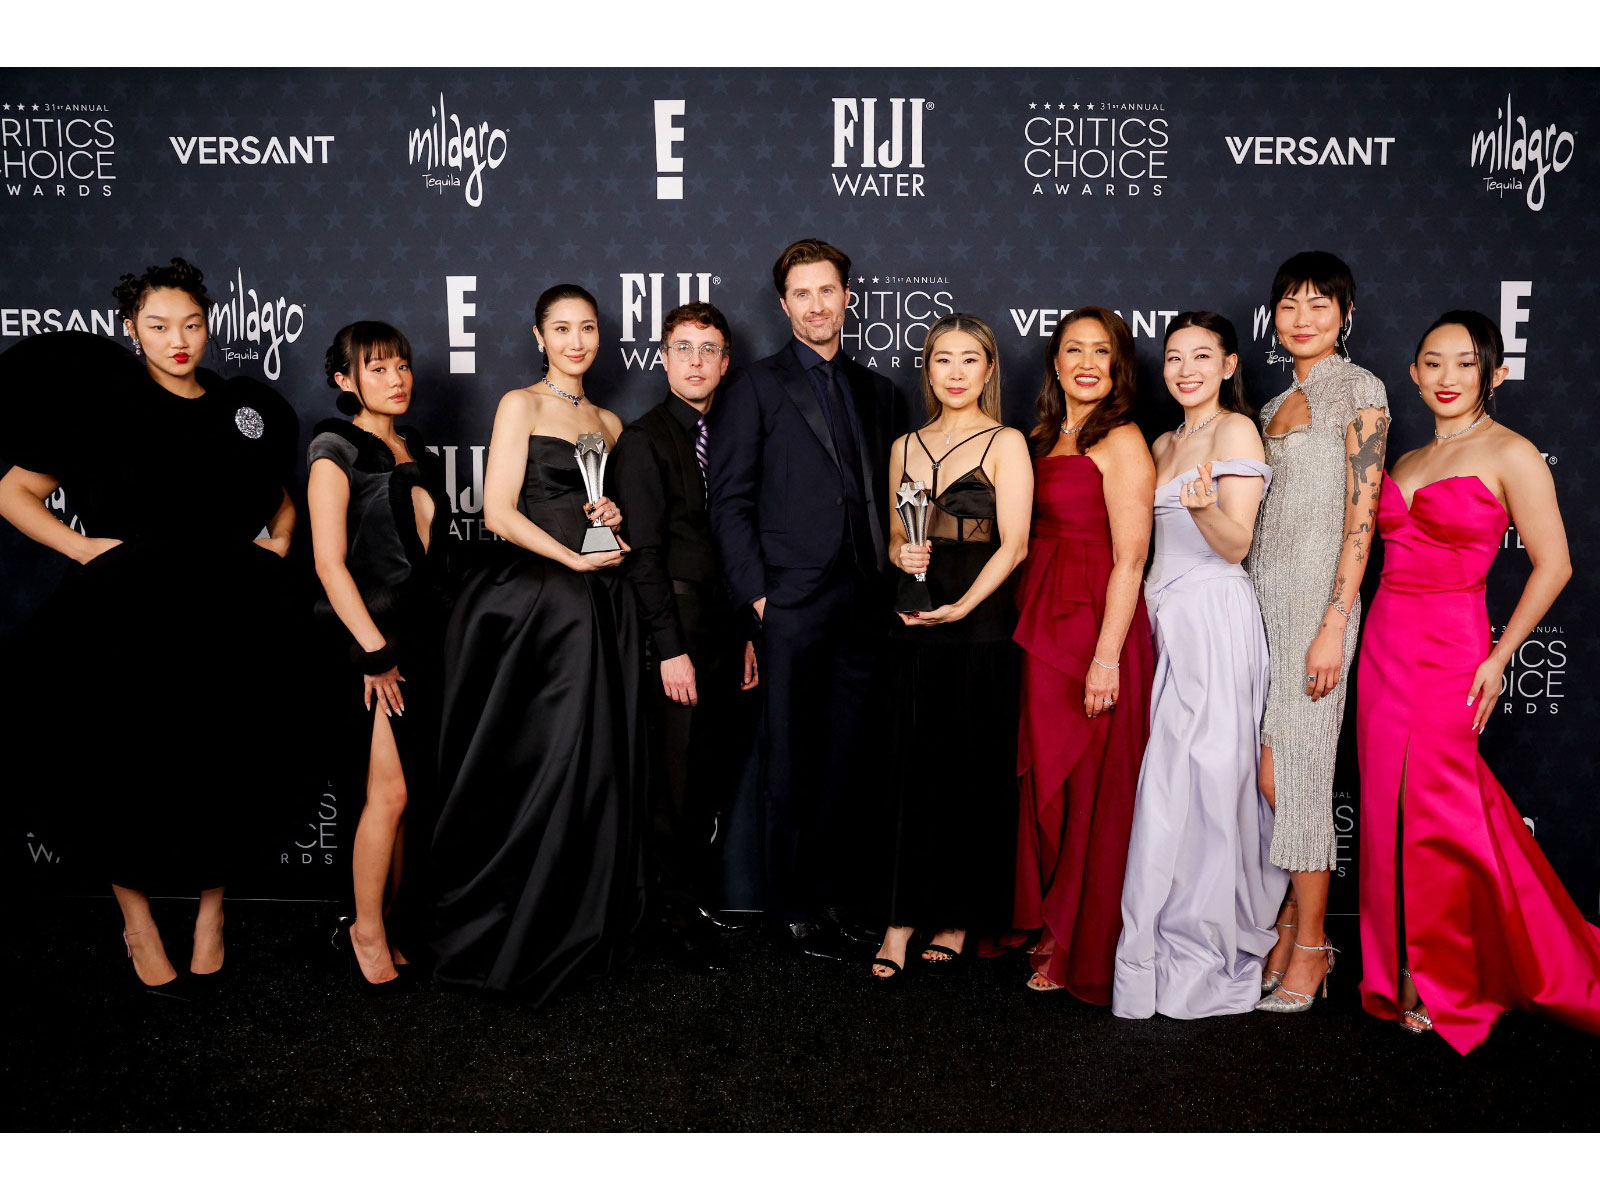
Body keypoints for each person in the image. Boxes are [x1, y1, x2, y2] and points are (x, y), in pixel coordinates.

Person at [0, 257, 299, 998]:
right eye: (160, 326)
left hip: (223, 621)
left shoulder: (241, 408)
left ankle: (211, 916)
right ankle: (134, 919)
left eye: (192, 324)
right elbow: (15, 492)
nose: (178, 340)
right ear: (132, 329)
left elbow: (282, 504)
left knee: (225, 765)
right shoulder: (97, 404)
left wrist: (277, 545)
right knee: (116, 769)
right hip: (122, 621)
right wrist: (81, 547)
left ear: (210, 326)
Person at [1356, 310, 1600, 1051]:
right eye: (1433, 363)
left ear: (1494, 373)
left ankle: (1447, 980)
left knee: (1439, 814)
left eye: (1465, 364)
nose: (1447, 378)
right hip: (1384, 643)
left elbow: (1553, 564)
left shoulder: (1512, 452)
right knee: (1385, 812)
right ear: (1414, 374)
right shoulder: (1402, 462)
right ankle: (1395, 966)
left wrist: (1498, 657)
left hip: (1451, 646)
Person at [428, 283, 646, 1003]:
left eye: (587, 328)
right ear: (538, 335)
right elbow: (496, 512)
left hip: (599, 603)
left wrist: (611, 523)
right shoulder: (520, 404)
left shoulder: (613, 424)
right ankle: (510, 922)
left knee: (592, 762)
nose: (577, 341)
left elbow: (616, 528)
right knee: (542, 760)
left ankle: (572, 919)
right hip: (540, 601)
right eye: (562, 328)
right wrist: (571, 560)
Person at [707, 237, 909, 962]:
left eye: (828, 290)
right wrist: (758, 600)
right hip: (790, 602)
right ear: (785, 304)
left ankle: (841, 901)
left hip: (866, 603)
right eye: (802, 294)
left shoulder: (880, 392)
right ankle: (792, 905)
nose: (817, 304)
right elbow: (728, 502)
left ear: (847, 297)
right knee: (790, 758)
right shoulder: (754, 387)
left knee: (851, 758)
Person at [1111, 312, 1286, 1019]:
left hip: (1214, 617)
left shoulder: (1235, 431)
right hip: (1165, 618)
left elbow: (1235, 543)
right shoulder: (1161, 441)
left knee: (1210, 786)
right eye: (1174, 356)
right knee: (1168, 786)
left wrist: (1207, 507)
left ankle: (1207, 954)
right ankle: (1152, 954)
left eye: (1201, 356)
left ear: (1229, 364)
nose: (1185, 369)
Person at [869, 314, 1033, 984]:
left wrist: (963, 608)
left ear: (989, 370)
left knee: (971, 771)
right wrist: (898, 554)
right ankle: (900, 918)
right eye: (944, 360)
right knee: (913, 772)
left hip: (980, 626)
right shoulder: (904, 444)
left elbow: (1016, 544)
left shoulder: (1007, 442)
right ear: (927, 369)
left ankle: (960, 917)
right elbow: (892, 536)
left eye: (971, 360)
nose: (957, 373)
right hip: (914, 626)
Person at [1247, 251, 1388, 1014]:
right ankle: (1284, 929)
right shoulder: (1272, 405)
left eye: (1320, 307)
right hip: (1263, 606)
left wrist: (1337, 618)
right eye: (1291, 306)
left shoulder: (1357, 391)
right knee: (1272, 777)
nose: (1303, 320)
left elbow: (1360, 518)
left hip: (1317, 610)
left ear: (1346, 316)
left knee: (1295, 779)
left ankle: (1311, 948)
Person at [609, 302, 760, 974]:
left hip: (725, 632)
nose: (696, 361)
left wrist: (748, 637)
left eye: (709, 350)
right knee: (671, 785)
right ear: (663, 357)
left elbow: (734, 546)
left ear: (725, 363)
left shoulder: (729, 435)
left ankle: (691, 903)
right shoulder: (644, 440)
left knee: (706, 780)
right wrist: (670, 649)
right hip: (674, 634)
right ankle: (668, 920)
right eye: (683, 347)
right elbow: (643, 555)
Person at [1013, 305, 1155, 999]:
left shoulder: (1123, 439)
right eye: (1074, 349)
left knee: (1087, 782)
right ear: (1056, 362)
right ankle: (1041, 914)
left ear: (1118, 364)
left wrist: (1107, 657)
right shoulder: (1042, 435)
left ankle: (1073, 936)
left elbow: (1131, 559)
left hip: (1094, 623)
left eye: (1102, 351)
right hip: (1037, 617)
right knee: (1045, 778)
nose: (1087, 362)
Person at [307, 322, 449, 990]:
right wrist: (373, 652)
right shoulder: (334, 446)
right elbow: (330, 565)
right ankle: (363, 927)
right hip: (368, 641)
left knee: (405, 793)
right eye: (377, 368)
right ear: (344, 380)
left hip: (421, 639)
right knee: (385, 793)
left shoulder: (413, 446)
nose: (395, 379)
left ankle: (388, 922)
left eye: (401, 366)